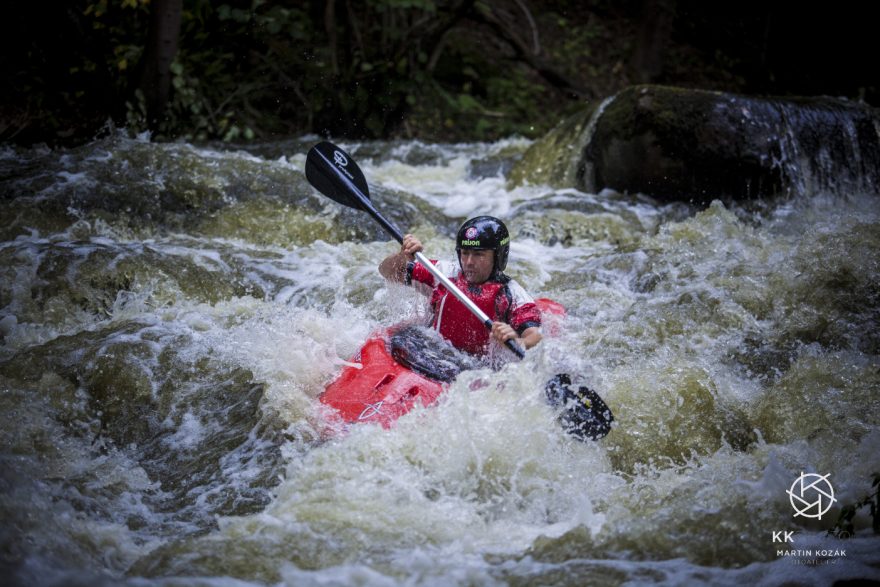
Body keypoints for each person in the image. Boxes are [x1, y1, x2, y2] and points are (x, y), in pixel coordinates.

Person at [379, 216, 542, 359]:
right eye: (465, 253)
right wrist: (403, 255)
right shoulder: (442, 273)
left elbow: (535, 337)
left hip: (473, 368)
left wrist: (517, 341)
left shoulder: (513, 294)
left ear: (498, 256)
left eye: (478, 254)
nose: (469, 262)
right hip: (430, 353)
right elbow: (387, 271)